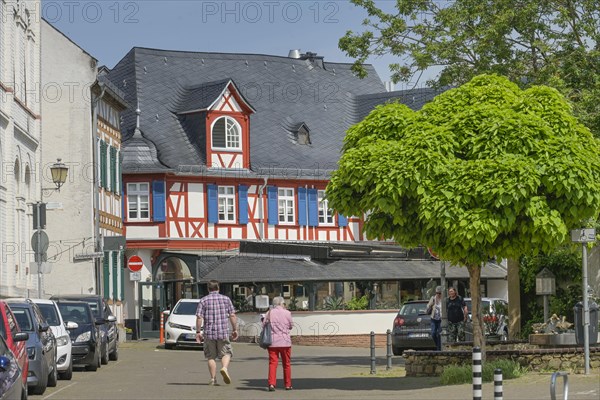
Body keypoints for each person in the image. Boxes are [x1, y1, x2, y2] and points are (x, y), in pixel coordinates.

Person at [195, 280, 238, 386]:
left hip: (209, 333)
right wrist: (234, 329)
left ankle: (213, 379)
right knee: (226, 353)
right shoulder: (226, 299)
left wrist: (198, 332)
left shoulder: (203, 300)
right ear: (218, 288)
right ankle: (224, 368)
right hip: (223, 332)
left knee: (210, 356)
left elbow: (199, 317)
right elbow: (232, 315)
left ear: (208, 289)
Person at [263, 296, 293, 391]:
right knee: (286, 364)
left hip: (272, 342)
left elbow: (263, 325)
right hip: (285, 342)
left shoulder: (269, 313)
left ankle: (271, 384)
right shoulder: (287, 313)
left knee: (273, 363)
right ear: (281, 303)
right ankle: (287, 385)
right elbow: (291, 326)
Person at [427, 286, 443, 351]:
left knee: (439, 333)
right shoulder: (433, 298)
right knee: (433, 333)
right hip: (433, 318)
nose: (438, 294)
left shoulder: (443, 299)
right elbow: (428, 305)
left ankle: (439, 348)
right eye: (437, 293)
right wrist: (430, 305)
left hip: (440, 319)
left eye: (439, 293)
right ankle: (437, 344)